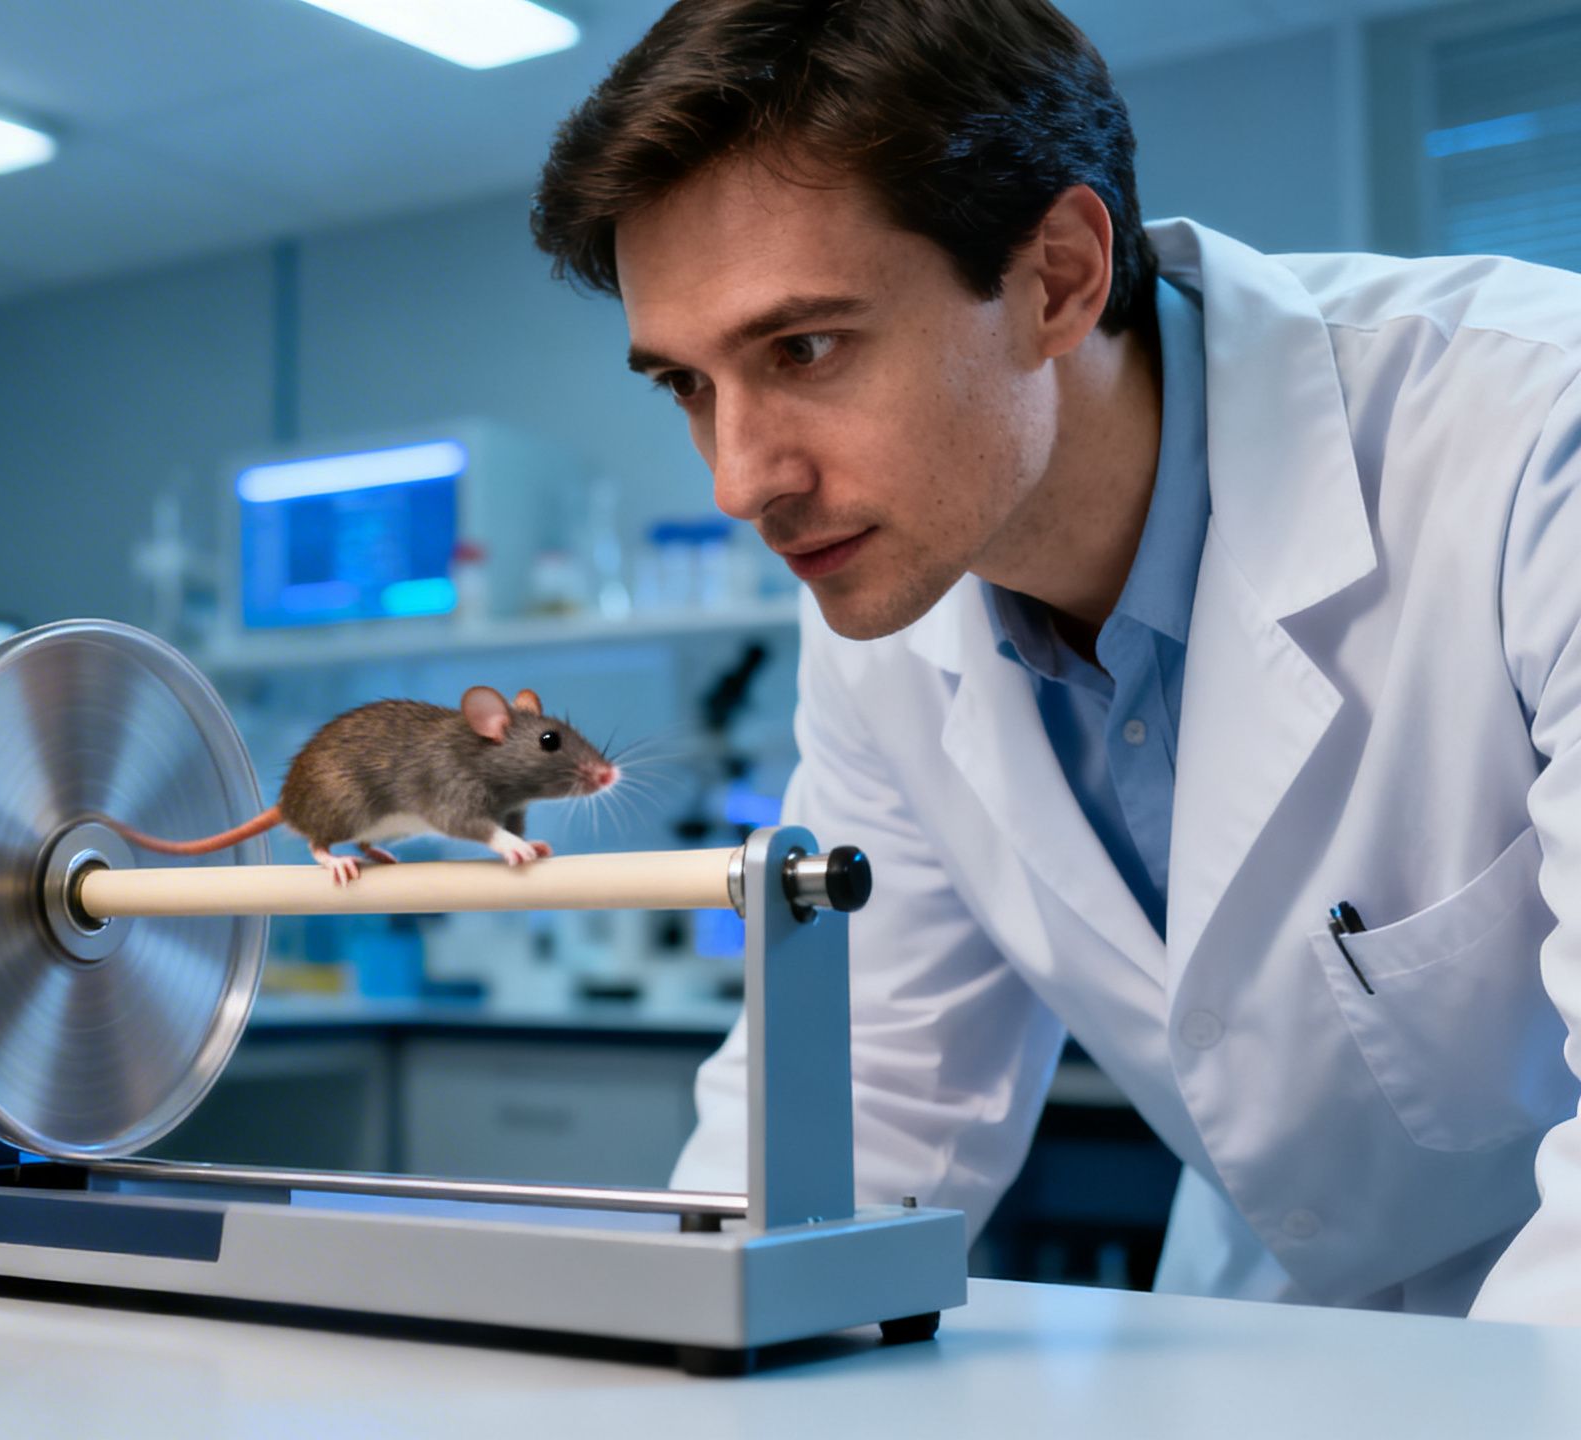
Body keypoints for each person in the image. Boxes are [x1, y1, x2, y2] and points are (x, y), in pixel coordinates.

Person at [531, 0, 1581, 1321]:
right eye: (686, 384)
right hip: (1276, 1328)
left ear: (1059, 278)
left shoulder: (1538, 445)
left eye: (805, 348)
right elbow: (864, 1109)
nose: (744, 480)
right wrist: (676, 1363)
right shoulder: (886, 607)